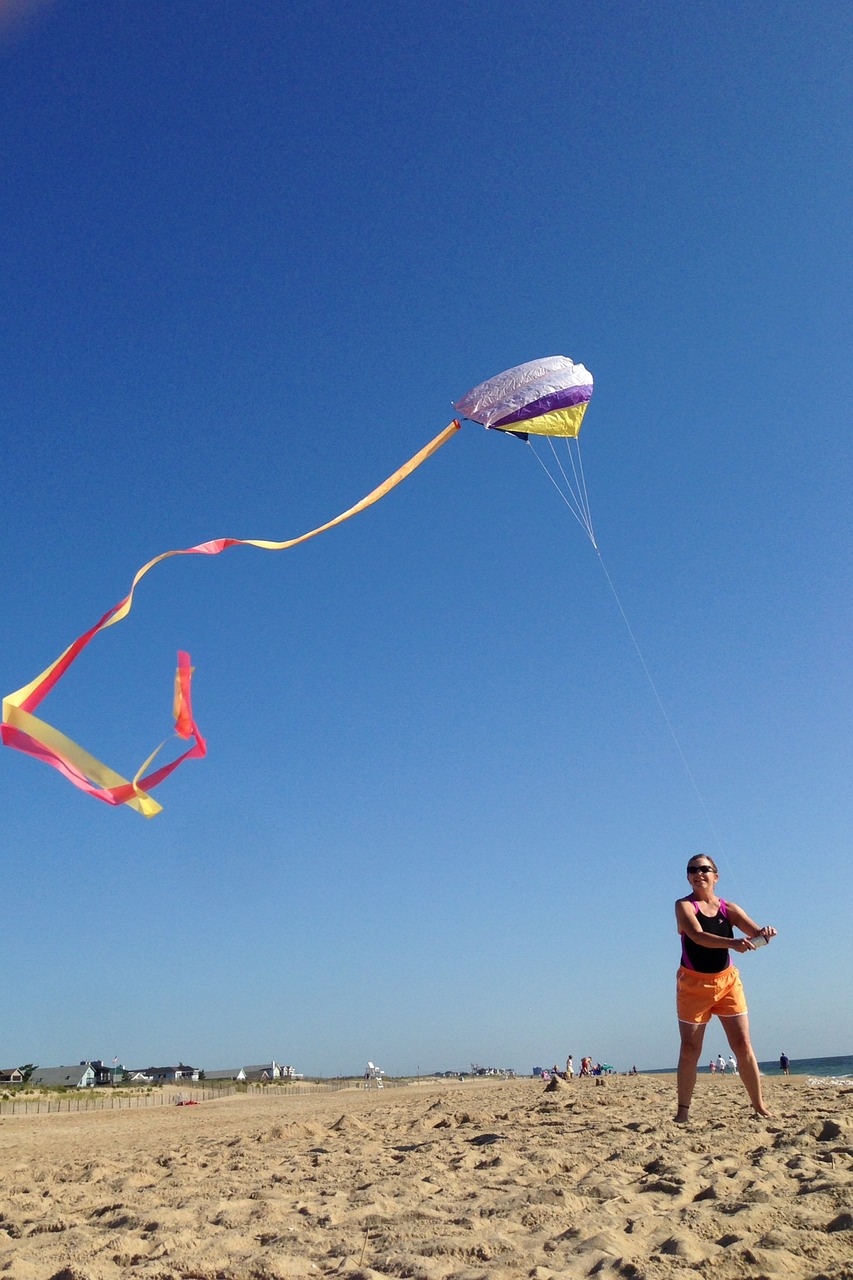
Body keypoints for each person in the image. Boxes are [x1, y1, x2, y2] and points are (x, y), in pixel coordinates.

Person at [674, 855, 777, 1122]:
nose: (699, 873)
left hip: (727, 981)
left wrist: (765, 933)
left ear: (716, 876)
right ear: (688, 877)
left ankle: (759, 1105)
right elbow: (697, 936)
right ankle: (683, 1112)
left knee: (743, 1044)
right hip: (693, 984)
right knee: (690, 1049)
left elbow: (755, 934)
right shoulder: (684, 906)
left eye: (704, 869)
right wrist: (734, 944)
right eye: (693, 870)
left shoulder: (728, 908)